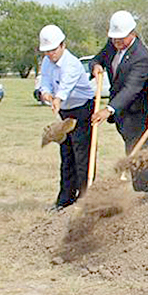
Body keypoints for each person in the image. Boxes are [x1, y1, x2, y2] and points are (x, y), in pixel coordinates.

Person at [90, 11, 148, 192]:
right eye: (114, 38)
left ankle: (145, 196)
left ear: (132, 33)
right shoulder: (112, 45)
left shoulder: (141, 56)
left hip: (138, 115)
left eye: (121, 38)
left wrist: (109, 109)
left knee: (139, 156)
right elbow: (97, 58)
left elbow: (131, 89)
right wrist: (95, 65)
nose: (116, 42)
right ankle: (139, 192)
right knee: (131, 151)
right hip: (123, 116)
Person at [38, 24, 95, 209]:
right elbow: (45, 81)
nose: (50, 54)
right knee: (66, 154)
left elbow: (65, 87)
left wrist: (57, 99)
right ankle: (65, 199)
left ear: (63, 45)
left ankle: (85, 197)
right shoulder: (47, 62)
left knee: (81, 154)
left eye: (53, 50)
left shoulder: (71, 63)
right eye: (47, 51)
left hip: (82, 109)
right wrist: (46, 93)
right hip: (65, 111)